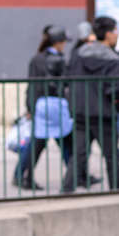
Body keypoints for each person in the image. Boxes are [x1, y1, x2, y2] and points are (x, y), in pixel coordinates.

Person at [17, 26, 77, 190]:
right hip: (53, 106)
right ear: (58, 42)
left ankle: (22, 176)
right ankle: (73, 178)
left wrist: (30, 106)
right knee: (67, 143)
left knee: (39, 144)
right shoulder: (55, 59)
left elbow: (32, 85)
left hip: (41, 106)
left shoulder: (38, 58)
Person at [63, 16, 119, 192]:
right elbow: (114, 87)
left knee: (78, 155)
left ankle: (66, 191)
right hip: (104, 114)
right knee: (112, 156)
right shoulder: (112, 58)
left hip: (80, 111)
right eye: (116, 31)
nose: (117, 35)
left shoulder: (79, 53)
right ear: (108, 34)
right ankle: (115, 191)